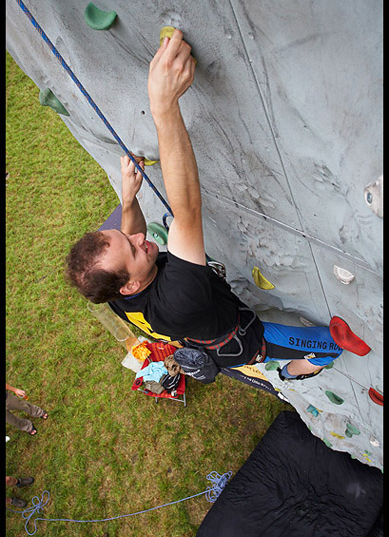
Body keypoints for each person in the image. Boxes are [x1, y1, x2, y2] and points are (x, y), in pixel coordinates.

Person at [65, 29, 370, 381]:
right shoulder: (176, 300)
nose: (139, 238)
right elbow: (188, 212)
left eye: (126, 238)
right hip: (242, 341)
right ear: (130, 286)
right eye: (134, 251)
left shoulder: (112, 288)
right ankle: (293, 373)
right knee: (329, 345)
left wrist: (129, 199)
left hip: (208, 320)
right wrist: (164, 107)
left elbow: (129, 233)